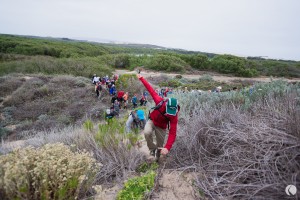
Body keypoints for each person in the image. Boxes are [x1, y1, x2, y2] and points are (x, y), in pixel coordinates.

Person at [137, 74, 180, 158]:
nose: (169, 114)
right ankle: (152, 149)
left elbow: (173, 132)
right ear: (166, 105)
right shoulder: (159, 101)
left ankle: (157, 157)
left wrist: (167, 147)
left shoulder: (174, 115)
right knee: (146, 132)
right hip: (152, 121)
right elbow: (150, 89)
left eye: (172, 112)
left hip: (161, 126)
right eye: (169, 111)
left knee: (160, 146)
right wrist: (141, 78)